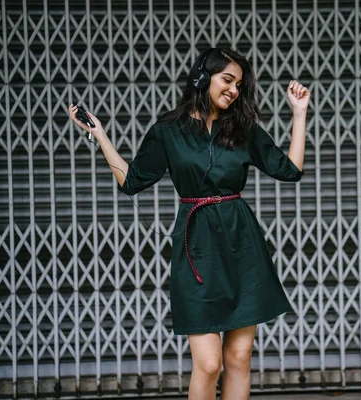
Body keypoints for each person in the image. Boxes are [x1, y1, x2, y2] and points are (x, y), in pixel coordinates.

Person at [68, 47, 309, 400]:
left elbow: (290, 171)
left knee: (239, 358)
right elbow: (131, 180)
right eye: (227, 80)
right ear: (201, 77)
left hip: (242, 246)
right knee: (209, 363)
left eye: (239, 84)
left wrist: (299, 115)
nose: (234, 90)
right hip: (195, 246)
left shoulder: (243, 129)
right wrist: (101, 136)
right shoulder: (168, 131)